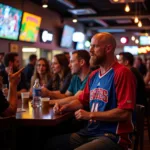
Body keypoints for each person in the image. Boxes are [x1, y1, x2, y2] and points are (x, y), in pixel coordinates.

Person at [45, 32, 136, 150]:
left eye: (95, 46)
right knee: (49, 144)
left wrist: (90, 115)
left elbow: (124, 113)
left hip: (112, 136)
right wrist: (65, 107)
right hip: (90, 132)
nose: (90, 51)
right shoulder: (93, 75)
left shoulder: (122, 73)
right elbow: (82, 101)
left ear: (108, 48)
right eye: (90, 46)